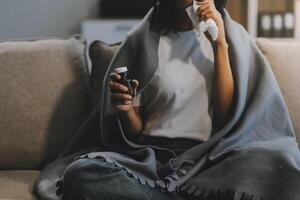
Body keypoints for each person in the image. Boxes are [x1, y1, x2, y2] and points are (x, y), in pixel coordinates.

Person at [61, 0, 233, 199]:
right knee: (79, 173)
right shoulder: (144, 41)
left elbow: (228, 114)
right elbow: (136, 130)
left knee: (257, 170)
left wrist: (220, 43)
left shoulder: (226, 39)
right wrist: (125, 109)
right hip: (149, 157)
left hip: (199, 158)